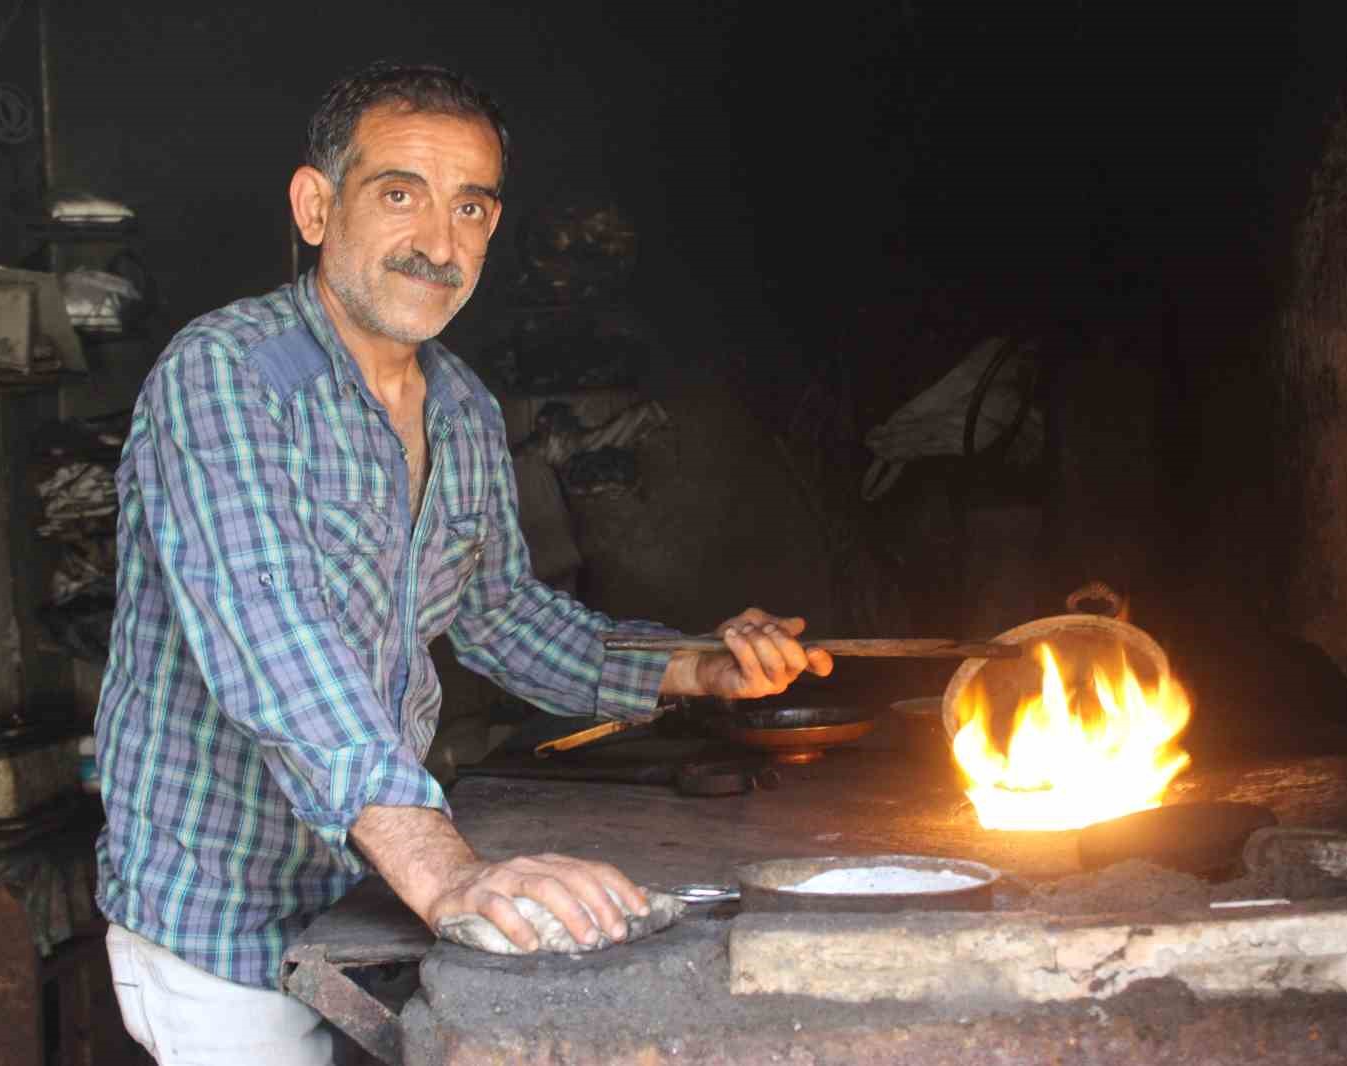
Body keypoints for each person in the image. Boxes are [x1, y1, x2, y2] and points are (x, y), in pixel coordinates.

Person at [95, 60, 832, 1064]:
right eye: (399, 194)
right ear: (316, 207)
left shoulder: (462, 407)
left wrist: (694, 664)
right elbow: (272, 638)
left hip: (370, 901)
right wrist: (445, 872)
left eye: (471, 208)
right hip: (225, 916)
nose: (440, 245)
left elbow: (499, 614)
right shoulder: (225, 375)